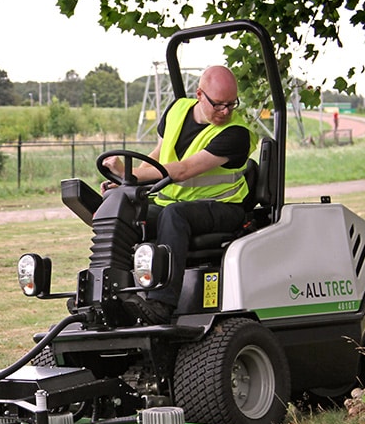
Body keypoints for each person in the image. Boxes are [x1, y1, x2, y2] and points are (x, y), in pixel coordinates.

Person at [102, 65, 256, 324]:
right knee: (122, 210)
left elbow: (184, 170)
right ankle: (109, 295)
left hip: (223, 208)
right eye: (219, 105)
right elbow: (159, 155)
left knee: (174, 216)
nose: (226, 111)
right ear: (199, 94)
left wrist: (129, 173)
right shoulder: (177, 110)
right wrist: (126, 184)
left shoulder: (236, 134)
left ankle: (162, 303)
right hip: (173, 202)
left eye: (232, 104)